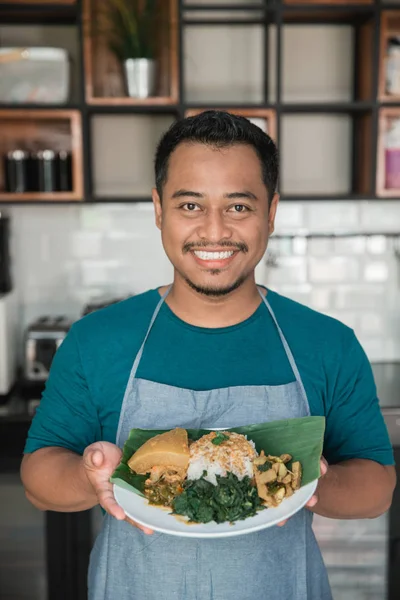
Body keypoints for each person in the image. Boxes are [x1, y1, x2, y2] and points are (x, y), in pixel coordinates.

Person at [21, 110, 395, 600]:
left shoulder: (327, 343)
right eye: (190, 205)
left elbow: (377, 487)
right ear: (158, 209)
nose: (214, 230)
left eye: (238, 207)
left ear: (271, 211)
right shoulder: (97, 340)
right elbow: (37, 478)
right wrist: (91, 477)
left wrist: (307, 485)